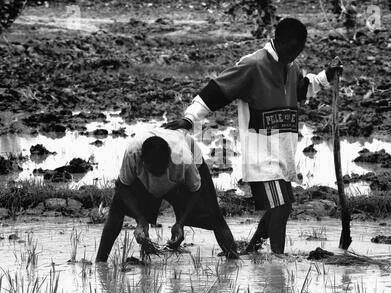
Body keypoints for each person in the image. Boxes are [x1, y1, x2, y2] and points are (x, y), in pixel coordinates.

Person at [163, 18, 343, 254]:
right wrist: (189, 118)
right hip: (262, 157)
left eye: (298, 51)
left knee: (279, 209)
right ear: (278, 40)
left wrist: (325, 77)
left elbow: (300, 89)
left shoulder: (291, 67)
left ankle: (251, 250)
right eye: (291, 49)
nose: (294, 55)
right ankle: (278, 261)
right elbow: (216, 92)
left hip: (283, 155)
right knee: (281, 206)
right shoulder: (253, 66)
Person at [95, 128, 239, 262]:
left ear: (170, 161)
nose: (158, 177)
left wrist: (181, 223)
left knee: (213, 213)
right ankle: (100, 262)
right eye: (153, 171)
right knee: (116, 208)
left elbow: (196, 190)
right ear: (143, 163)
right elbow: (122, 187)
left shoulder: (185, 159)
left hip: (188, 163)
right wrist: (140, 219)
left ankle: (233, 257)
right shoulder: (132, 154)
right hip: (152, 168)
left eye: (161, 171)